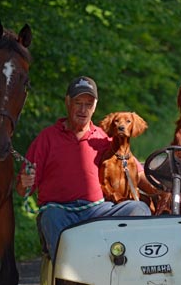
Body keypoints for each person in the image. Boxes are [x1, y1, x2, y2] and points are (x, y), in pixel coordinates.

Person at [16, 76, 153, 261]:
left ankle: (126, 270)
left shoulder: (104, 139)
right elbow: (22, 189)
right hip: (60, 211)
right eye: (78, 103)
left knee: (139, 209)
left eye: (88, 104)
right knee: (49, 216)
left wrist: (162, 189)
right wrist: (25, 182)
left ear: (94, 106)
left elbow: (137, 172)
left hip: (97, 210)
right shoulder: (46, 138)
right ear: (67, 102)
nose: (83, 110)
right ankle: (67, 275)